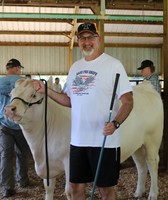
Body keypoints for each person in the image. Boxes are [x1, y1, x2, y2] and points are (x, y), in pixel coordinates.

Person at [36, 22, 133, 200]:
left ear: (98, 39)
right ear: (78, 41)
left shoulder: (113, 65)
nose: (86, 42)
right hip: (78, 140)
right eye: (82, 38)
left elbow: (127, 101)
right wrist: (46, 91)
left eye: (90, 37)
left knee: (106, 190)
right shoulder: (75, 68)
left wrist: (115, 123)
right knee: (74, 187)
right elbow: (68, 100)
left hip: (104, 140)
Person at [0, 58, 30, 198]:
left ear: (7, 69)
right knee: (22, 154)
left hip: (4, 125)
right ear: (17, 68)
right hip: (21, 124)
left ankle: (7, 188)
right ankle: (23, 180)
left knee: (5, 156)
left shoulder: (0, 83)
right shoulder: (24, 82)